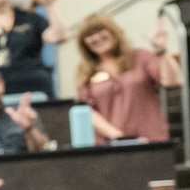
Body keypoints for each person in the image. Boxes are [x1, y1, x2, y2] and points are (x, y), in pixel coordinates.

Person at [75, 13, 179, 144]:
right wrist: (118, 137)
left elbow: (173, 81)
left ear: (113, 32)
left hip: (151, 140)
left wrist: (163, 51)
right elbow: (85, 111)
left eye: (100, 31)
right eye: (89, 35)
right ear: (83, 42)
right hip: (112, 146)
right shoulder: (85, 72)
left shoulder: (140, 57)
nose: (96, 37)